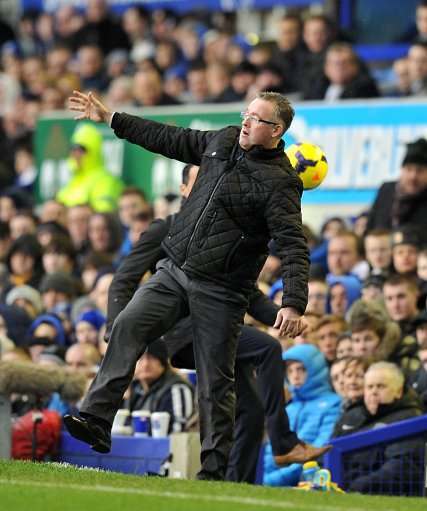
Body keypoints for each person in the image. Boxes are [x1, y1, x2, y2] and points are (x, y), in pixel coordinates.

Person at [64, 89, 310, 481]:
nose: (246, 121)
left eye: (257, 118)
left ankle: (213, 472)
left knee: (215, 382)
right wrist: (112, 119)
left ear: (276, 130)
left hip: (222, 290)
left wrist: (294, 302)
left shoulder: (281, 182)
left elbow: (294, 245)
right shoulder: (223, 139)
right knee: (128, 324)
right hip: (176, 269)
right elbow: (169, 138)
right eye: (247, 113)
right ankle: (96, 416)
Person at [103, 163, 327, 483]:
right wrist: (117, 327)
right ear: (183, 190)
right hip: (186, 334)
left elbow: (248, 293)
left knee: (249, 409)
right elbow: (123, 280)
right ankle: (283, 442)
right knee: (266, 348)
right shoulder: (165, 229)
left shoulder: (227, 235)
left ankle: (236, 486)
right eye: (201, 180)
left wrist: (283, 317)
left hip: (220, 332)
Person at [333, 362, 424, 495]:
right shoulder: (351, 415)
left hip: (373, 494)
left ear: (398, 391)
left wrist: (357, 487)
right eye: (369, 387)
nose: (373, 391)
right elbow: (328, 451)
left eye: (381, 386)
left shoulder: (410, 419)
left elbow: (401, 466)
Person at [263, 344, 341, 486]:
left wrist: (267, 481)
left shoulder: (333, 403)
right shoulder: (289, 407)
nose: (295, 375)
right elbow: (271, 453)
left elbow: (318, 450)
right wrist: (260, 475)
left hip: (310, 481)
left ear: (316, 370)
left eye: (301, 369)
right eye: (290, 370)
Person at [366, 138, 427, 246]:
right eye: (409, 169)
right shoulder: (387, 190)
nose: (413, 176)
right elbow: (371, 226)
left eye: (420, 170)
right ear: (401, 170)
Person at [56, 123, 124, 212]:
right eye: (73, 149)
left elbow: (104, 214)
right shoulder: (73, 180)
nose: (76, 155)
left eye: (81, 150)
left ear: (94, 152)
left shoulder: (106, 180)